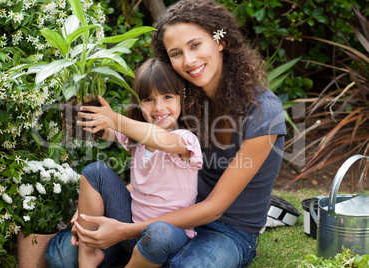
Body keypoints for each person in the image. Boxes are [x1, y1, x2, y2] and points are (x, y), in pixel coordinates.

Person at [46, 0, 287, 267]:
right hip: (166, 213)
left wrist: (124, 230)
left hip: (226, 229)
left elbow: (214, 208)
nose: (189, 60)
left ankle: (142, 253)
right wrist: (93, 202)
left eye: (195, 45)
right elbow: (157, 165)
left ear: (220, 41)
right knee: (61, 255)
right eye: (176, 53)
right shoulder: (180, 97)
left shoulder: (264, 112)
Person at [50, 58, 202, 268]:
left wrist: (115, 119)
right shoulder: (136, 138)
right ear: (139, 103)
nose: (158, 107)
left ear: (181, 99)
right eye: (149, 99)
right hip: (129, 229)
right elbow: (103, 131)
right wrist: (79, 113)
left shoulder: (185, 140)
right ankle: (88, 256)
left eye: (167, 97)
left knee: (159, 233)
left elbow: (162, 139)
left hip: (169, 238)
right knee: (94, 172)